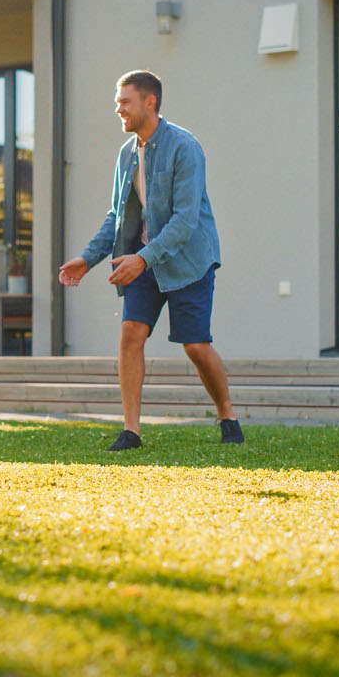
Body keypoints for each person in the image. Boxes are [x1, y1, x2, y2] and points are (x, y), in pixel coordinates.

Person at [59, 70, 243, 451]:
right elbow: (117, 216)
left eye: (124, 102)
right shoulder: (127, 155)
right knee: (131, 334)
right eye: (117, 102)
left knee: (195, 346)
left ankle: (227, 414)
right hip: (142, 259)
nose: (118, 109)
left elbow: (185, 220)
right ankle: (131, 431)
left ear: (150, 102)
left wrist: (142, 259)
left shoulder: (184, 147)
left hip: (188, 258)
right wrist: (87, 259)